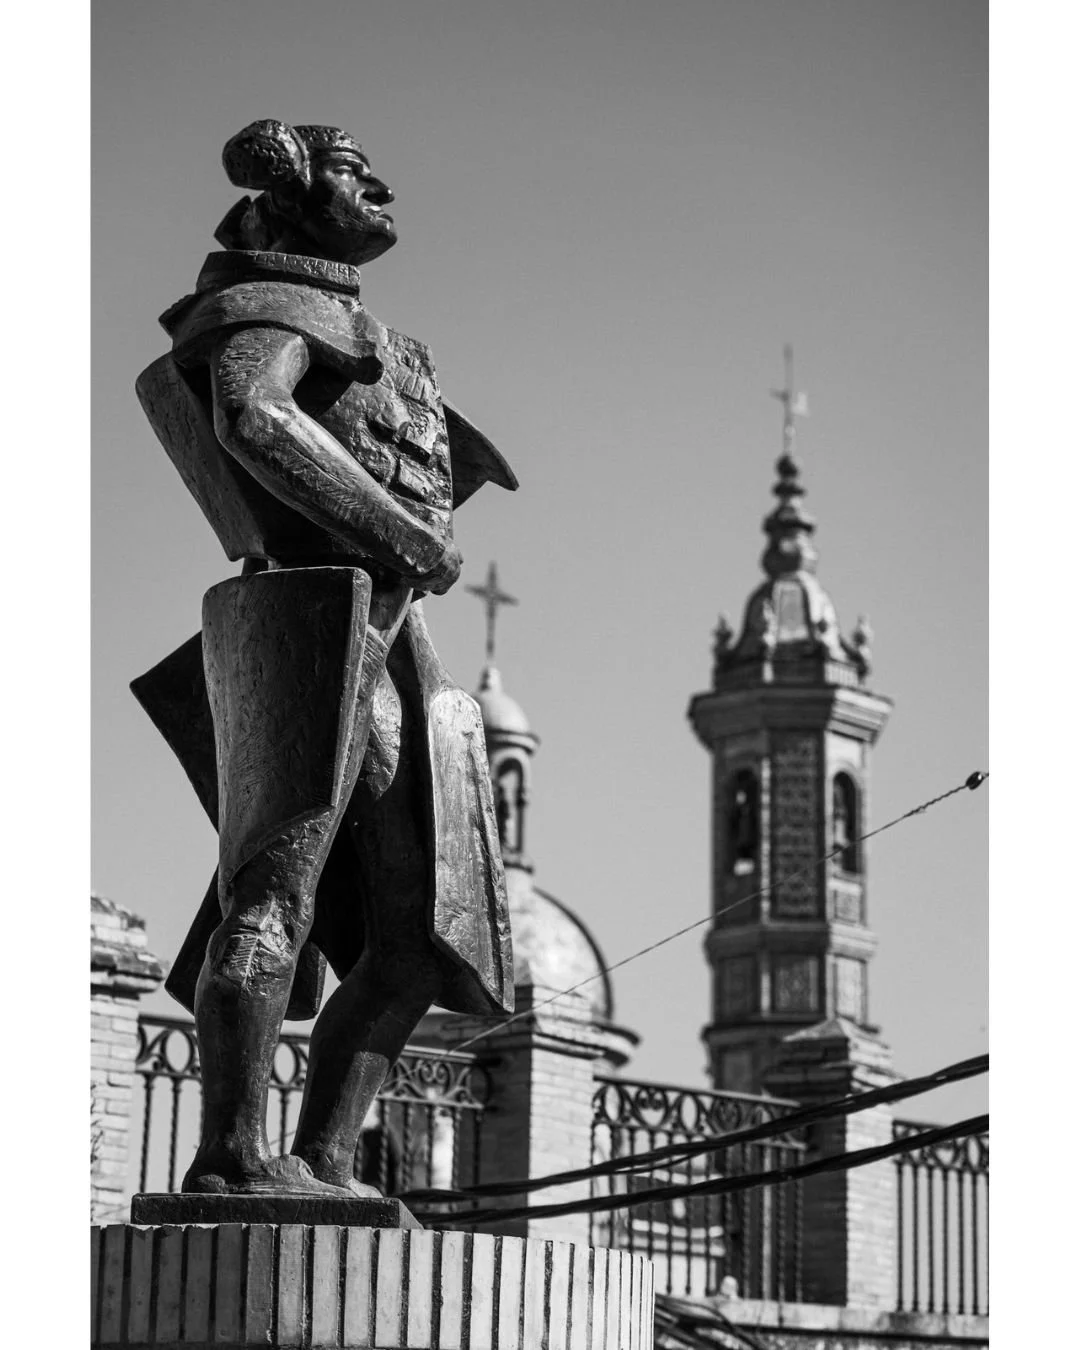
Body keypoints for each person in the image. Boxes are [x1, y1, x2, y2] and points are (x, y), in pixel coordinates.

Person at [133, 120, 516, 1197]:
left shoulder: (379, 334)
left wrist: (409, 554)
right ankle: (229, 1158)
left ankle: (327, 1161)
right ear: (286, 191)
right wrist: (407, 535)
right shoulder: (266, 304)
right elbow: (253, 414)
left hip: (399, 640)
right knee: (271, 901)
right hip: (307, 616)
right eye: (352, 171)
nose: (383, 184)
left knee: (416, 940)